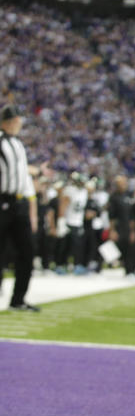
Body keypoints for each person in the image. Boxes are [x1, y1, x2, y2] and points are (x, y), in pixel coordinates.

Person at [0, 104, 39, 311]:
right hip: (2, 202)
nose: (20, 124)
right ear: (10, 122)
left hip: (19, 203)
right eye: (17, 121)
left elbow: (23, 178)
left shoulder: (18, 145)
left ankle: (18, 299)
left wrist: (31, 210)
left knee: (27, 251)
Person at [108, 175, 135, 276]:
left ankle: (129, 271)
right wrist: (112, 230)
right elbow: (111, 216)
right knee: (116, 248)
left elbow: (132, 216)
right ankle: (103, 267)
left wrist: (133, 231)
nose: (124, 185)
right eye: (121, 183)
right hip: (118, 226)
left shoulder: (129, 196)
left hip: (128, 227)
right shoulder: (113, 197)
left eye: (125, 182)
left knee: (130, 249)